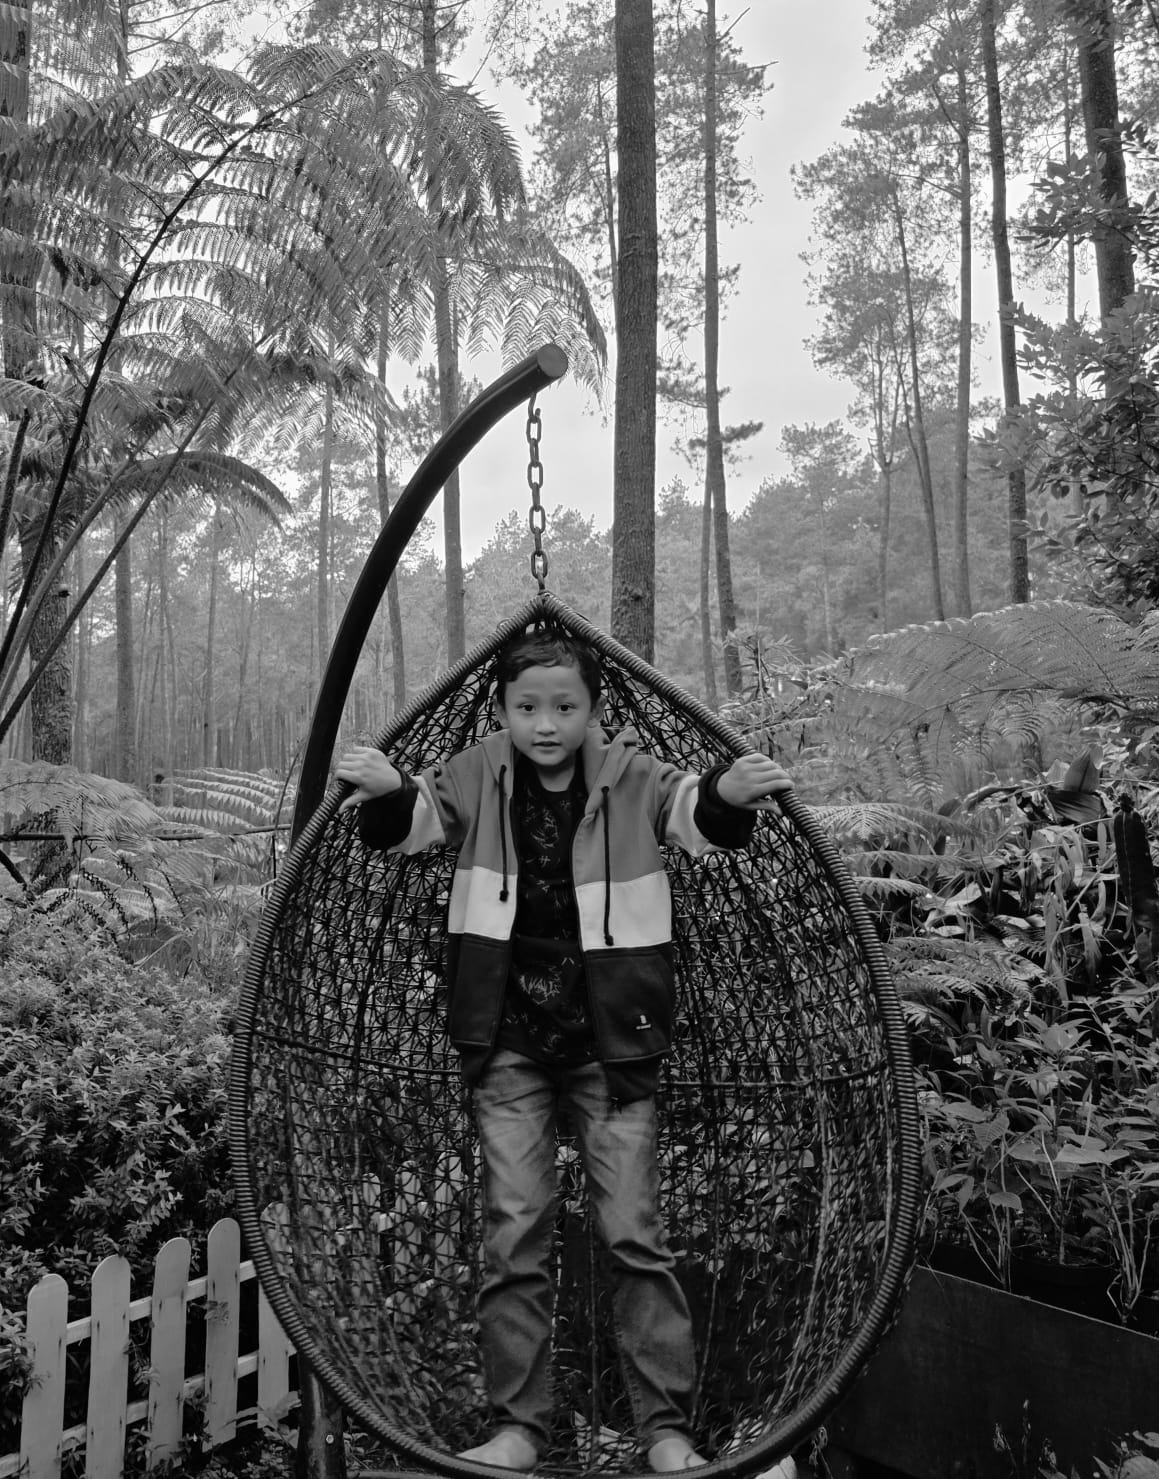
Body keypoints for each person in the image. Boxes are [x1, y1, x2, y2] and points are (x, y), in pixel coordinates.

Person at [335, 625, 794, 1475]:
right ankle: (520, 1427)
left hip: (612, 1046)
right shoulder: (476, 772)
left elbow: (693, 813)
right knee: (514, 1235)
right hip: (509, 1043)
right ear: (502, 709)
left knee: (634, 1237)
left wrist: (726, 792)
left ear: (592, 709)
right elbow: (413, 823)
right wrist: (390, 787)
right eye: (526, 707)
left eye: (563, 706)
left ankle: (664, 1431)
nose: (544, 724)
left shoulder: (631, 774)